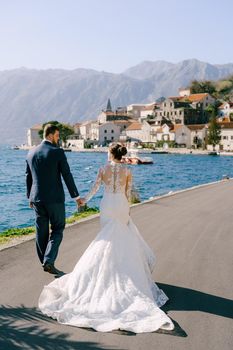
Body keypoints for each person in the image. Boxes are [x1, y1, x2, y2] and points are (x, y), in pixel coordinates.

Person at [38, 143, 174, 333]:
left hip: (108, 205)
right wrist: (128, 211)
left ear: (110, 153)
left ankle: (106, 273)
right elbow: (128, 193)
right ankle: (122, 272)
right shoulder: (127, 170)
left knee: (106, 240)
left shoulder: (103, 169)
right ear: (121, 155)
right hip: (121, 205)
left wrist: (83, 200)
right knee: (121, 239)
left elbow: (94, 189)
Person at [26, 124, 84, 275]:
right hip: (55, 199)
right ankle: (49, 261)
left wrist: (29, 197)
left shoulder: (31, 153)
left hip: (37, 198)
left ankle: (44, 261)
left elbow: (29, 177)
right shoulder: (57, 152)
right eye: (57, 136)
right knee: (58, 228)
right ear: (51, 135)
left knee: (41, 231)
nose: (59, 139)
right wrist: (76, 197)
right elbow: (67, 174)